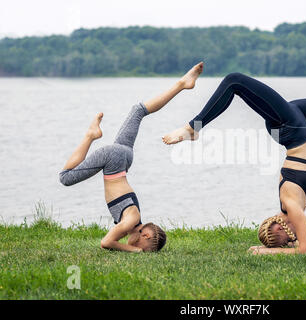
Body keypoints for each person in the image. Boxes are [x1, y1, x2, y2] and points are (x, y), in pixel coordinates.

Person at [162, 14, 306, 254]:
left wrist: (267, 250)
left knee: (234, 81)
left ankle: (193, 129)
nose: (290, 235)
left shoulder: (290, 206)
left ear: (279, 223)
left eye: (282, 235)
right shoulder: (295, 210)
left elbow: (305, 251)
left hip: (290, 130)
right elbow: (302, 248)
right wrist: (277, 248)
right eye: (286, 238)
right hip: (294, 126)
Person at [59, 62, 204, 252]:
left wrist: (135, 247)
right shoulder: (131, 222)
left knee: (138, 110)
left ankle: (182, 83)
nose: (133, 245)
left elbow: (111, 240)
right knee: (65, 178)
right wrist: (137, 252)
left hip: (124, 157)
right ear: (145, 235)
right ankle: (90, 135)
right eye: (142, 245)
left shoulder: (133, 220)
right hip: (113, 159)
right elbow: (106, 243)